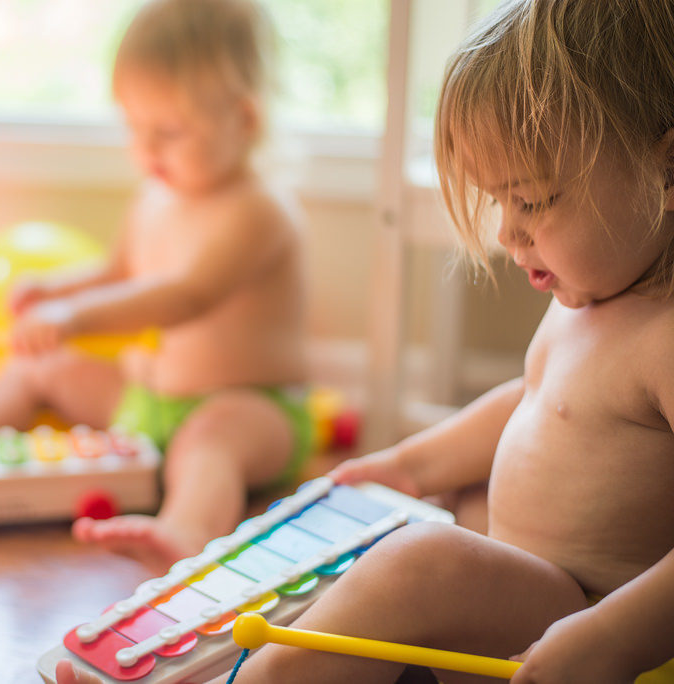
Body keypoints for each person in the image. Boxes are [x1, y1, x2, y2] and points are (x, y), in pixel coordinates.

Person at [55, 0, 674, 681]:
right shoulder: (591, 296)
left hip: (590, 622)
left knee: (419, 563)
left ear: (666, 171)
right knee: (400, 528)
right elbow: (532, 401)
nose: (506, 233)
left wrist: (613, 636)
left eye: (533, 200)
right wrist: (410, 467)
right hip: (533, 594)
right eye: (499, 201)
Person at [0, 0, 312, 575]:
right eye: (134, 128)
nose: (145, 150)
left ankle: (183, 533)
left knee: (211, 437)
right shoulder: (154, 199)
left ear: (244, 119)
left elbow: (184, 296)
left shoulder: (259, 211)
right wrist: (54, 289)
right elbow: (117, 272)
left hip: (253, 410)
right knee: (36, 368)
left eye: (167, 132)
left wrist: (73, 316)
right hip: (150, 403)